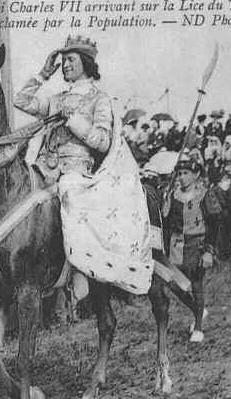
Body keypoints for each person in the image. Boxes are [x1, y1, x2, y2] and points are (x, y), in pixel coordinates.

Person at [14, 34, 151, 298]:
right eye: (62, 60)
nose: (64, 65)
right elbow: (22, 101)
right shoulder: (58, 98)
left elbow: (102, 141)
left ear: (85, 63)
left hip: (76, 172)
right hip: (45, 168)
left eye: (70, 60)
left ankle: (77, 270)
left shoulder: (100, 99)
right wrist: (43, 74)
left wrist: (73, 119)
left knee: (70, 198)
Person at [162, 159, 222, 342]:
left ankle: (198, 327)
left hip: (197, 242)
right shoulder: (173, 195)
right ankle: (198, 310)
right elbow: (166, 221)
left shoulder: (205, 194)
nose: (181, 177)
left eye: (186, 173)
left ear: (195, 175)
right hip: (176, 244)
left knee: (196, 283)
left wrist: (209, 251)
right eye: (179, 174)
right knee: (173, 283)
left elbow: (215, 222)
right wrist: (165, 201)